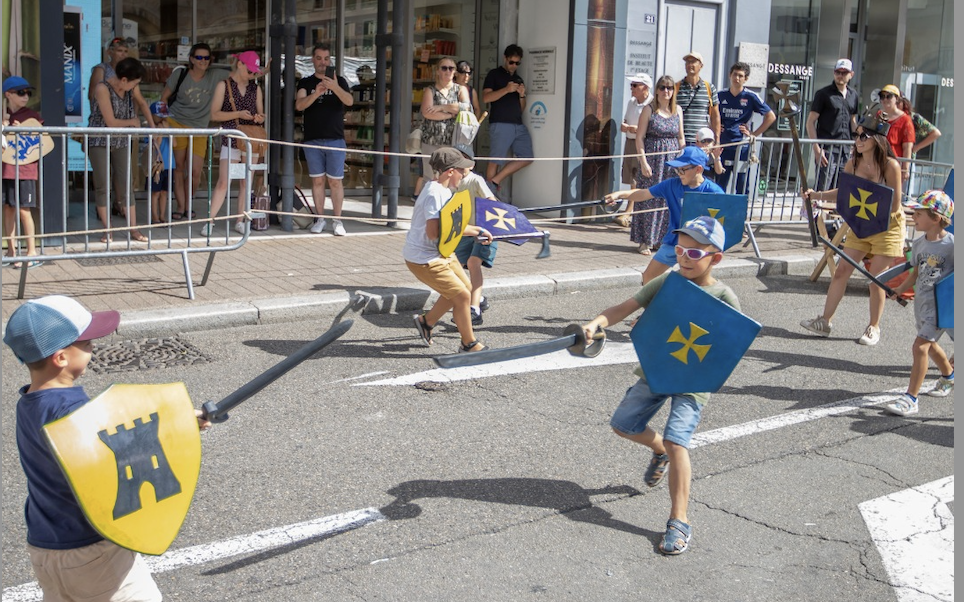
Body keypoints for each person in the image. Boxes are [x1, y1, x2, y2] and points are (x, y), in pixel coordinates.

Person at [3, 295, 212, 602]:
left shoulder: (29, 402)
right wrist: (180, 427)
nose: (93, 348)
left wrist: (179, 420)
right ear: (60, 358)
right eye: (86, 344)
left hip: (45, 544)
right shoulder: (73, 410)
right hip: (92, 550)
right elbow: (124, 457)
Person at [581, 216, 737, 556]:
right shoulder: (667, 282)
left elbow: (732, 343)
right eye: (680, 250)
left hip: (694, 379)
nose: (684, 257)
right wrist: (596, 322)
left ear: (716, 258)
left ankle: (678, 520)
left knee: (677, 439)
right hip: (659, 368)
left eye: (695, 253)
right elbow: (625, 307)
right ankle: (659, 450)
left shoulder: (724, 296)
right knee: (623, 425)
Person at [799, 115, 905, 346]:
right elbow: (844, 191)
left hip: (888, 226)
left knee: (875, 279)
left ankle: (873, 327)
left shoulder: (890, 165)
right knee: (842, 270)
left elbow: (895, 204)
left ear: (877, 139)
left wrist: (869, 194)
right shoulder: (853, 163)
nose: (857, 139)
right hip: (862, 224)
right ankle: (824, 321)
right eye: (855, 135)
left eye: (863, 135)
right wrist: (816, 194)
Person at [405, 147, 494, 353]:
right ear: (450, 171)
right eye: (461, 171)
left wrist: (478, 230)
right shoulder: (435, 194)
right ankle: (468, 343)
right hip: (424, 257)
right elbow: (434, 232)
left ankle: (426, 322)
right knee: (462, 295)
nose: (464, 175)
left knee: (463, 289)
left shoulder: (443, 190)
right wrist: (469, 232)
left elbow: (450, 227)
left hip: (440, 253)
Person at [606, 146, 724, 283]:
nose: (679, 173)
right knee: (648, 278)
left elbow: (724, 222)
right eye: (677, 169)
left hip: (698, 247)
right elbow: (644, 193)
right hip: (674, 241)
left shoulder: (714, 192)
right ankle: (656, 304)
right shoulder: (671, 185)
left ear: (698, 169)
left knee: (695, 283)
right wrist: (619, 194)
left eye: (683, 169)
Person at [884, 190, 954, 417]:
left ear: (936, 218)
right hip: (922, 303)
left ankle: (910, 398)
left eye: (919, 213)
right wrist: (899, 290)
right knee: (931, 346)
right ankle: (948, 375)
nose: (913, 216)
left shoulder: (952, 246)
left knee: (920, 346)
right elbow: (915, 273)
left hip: (940, 307)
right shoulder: (919, 243)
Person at [159, 43, 229, 221]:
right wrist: (164, 121)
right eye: (199, 57)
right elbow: (164, 97)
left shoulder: (216, 75)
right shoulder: (180, 74)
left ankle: (189, 203)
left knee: (196, 172)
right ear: (191, 59)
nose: (203, 61)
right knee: (179, 168)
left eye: (206, 58)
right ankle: (181, 207)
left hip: (200, 128)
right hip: (177, 122)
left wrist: (263, 71)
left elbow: (239, 73)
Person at [204, 51, 266, 237]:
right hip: (231, 139)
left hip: (250, 141)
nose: (253, 74)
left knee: (246, 183)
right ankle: (210, 220)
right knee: (224, 181)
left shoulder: (256, 88)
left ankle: (240, 219)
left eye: (255, 71)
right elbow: (214, 115)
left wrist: (258, 117)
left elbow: (261, 116)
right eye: (250, 70)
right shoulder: (223, 85)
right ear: (239, 65)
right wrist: (238, 114)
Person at [88, 57, 149, 243]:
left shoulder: (129, 91)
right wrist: (132, 122)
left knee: (126, 185)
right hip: (99, 140)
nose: (135, 86)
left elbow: (142, 105)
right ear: (124, 80)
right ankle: (108, 229)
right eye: (134, 83)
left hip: (121, 141)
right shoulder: (102, 88)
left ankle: (133, 229)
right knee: (103, 185)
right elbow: (111, 122)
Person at [295, 43, 354, 236]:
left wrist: (334, 87)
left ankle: (337, 220)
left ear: (330, 61)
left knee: (335, 182)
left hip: (335, 139)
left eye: (326, 59)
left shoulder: (341, 81)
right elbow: (300, 105)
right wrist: (317, 92)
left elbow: (349, 101)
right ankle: (320, 219)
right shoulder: (305, 82)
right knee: (317, 181)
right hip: (312, 139)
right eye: (319, 58)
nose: (322, 62)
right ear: (313, 60)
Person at [631, 74, 683, 255]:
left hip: (671, 163)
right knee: (649, 199)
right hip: (653, 159)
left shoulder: (678, 111)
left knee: (667, 200)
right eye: (663, 87)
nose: (666, 91)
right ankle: (645, 240)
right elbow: (639, 137)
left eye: (669, 88)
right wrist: (643, 162)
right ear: (657, 90)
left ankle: (661, 239)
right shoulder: (649, 110)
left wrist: (683, 157)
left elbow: (681, 138)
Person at [452, 144, 498, 325]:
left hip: (484, 230)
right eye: (455, 161)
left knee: (473, 263)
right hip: (463, 230)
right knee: (460, 266)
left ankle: (474, 310)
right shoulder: (451, 181)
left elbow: (491, 201)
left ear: (471, 164)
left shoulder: (476, 180)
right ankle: (478, 298)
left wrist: (490, 227)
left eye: (463, 161)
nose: (459, 165)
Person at [482, 44, 534, 198]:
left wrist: (522, 95)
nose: (514, 66)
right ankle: (488, 197)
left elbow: (521, 108)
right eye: (511, 62)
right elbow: (486, 98)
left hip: (518, 124)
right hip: (500, 123)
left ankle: (495, 181)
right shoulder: (494, 74)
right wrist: (506, 89)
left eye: (518, 63)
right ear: (505, 58)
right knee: (495, 160)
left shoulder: (518, 78)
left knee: (527, 157)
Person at [716, 61, 776, 193]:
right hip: (723, 146)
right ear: (729, 75)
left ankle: (740, 213)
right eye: (735, 74)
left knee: (742, 186)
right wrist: (714, 128)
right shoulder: (720, 95)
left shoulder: (751, 96)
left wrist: (754, 134)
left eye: (740, 76)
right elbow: (710, 114)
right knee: (719, 185)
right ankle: (718, 213)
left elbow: (771, 116)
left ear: (746, 79)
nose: (737, 78)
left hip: (742, 146)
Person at [2, 76, 43, 269]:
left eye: (28, 92)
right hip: (6, 170)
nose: (25, 96)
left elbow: (43, 140)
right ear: (8, 95)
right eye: (21, 92)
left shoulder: (33, 116)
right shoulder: (4, 116)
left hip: (25, 170)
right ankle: (11, 251)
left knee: (24, 210)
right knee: (8, 209)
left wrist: (24, 130)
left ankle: (31, 252)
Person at [416, 57, 471, 196]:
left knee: (452, 177)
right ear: (438, 71)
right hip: (431, 140)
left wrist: (441, 107)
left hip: (453, 142)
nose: (448, 71)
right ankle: (427, 210)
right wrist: (450, 114)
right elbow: (427, 112)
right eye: (444, 68)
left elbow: (466, 107)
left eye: (451, 68)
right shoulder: (430, 90)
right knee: (430, 177)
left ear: (455, 72)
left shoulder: (460, 89)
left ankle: (447, 211)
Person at [806, 58, 859, 192]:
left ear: (851, 74)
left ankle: (835, 212)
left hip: (846, 149)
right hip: (827, 149)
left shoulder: (854, 95)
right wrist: (817, 148)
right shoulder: (823, 94)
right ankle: (815, 212)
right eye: (838, 72)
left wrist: (857, 144)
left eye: (844, 72)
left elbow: (853, 121)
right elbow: (810, 122)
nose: (840, 75)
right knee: (823, 188)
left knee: (842, 188)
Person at [88, 37, 155, 137]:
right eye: (119, 51)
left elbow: (141, 101)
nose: (123, 54)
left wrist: (152, 127)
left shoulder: (131, 73)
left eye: (126, 51)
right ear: (109, 52)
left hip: (124, 126)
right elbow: (92, 97)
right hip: (103, 124)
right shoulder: (102, 69)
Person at [615, 72, 653, 228]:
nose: (631, 88)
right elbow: (625, 121)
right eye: (631, 85)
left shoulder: (651, 104)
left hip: (644, 144)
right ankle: (630, 212)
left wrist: (635, 129)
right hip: (630, 142)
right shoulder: (632, 102)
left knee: (639, 178)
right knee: (631, 177)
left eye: (635, 85)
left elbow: (650, 127)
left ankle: (630, 212)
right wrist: (626, 127)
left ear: (645, 87)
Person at [675, 51, 720, 145]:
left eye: (693, 62)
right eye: (687, 62)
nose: (690, 65)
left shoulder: (709, 88)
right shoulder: (676, 87)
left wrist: (717, 140)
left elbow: (715, 116)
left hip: (702, 142)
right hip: (680, 141)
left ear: (701, 65)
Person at [876, 84, 914, 183]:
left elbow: (907, 147)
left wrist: (905, 169)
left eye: (888, 96)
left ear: (896, 98)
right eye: (882, 97)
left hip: (894, 164)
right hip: (876, 162)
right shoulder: (878, 115)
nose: (885, 99)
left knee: (891, 195)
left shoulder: (905, 120)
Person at [146, 101, 175, 225]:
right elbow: (154, 144)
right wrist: (160, 132)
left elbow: (175, 144)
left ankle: (162, 216)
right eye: (159, 116)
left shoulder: (169, 128)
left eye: (164, 116)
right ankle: (155, 217)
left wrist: (168, 131)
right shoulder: (150, 129)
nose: (162, 118)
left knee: (164, 192)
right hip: (156, 165)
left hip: (169, 164)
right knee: (155, 192)